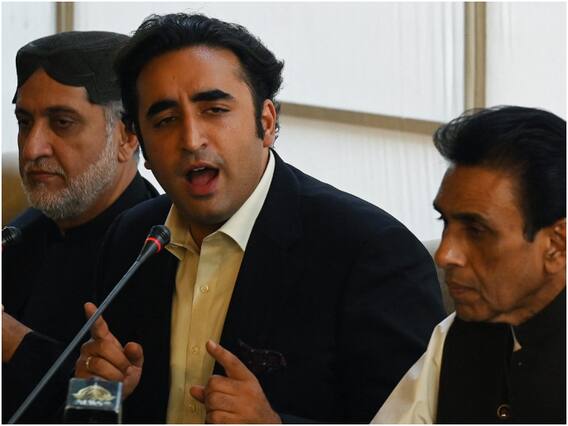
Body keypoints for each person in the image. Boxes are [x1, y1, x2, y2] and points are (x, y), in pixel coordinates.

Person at [74, 13, 445, 423]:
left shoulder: (372, 253)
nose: (191, 139)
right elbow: (96, 405)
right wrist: (100, 396)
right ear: (140, 143)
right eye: (165, 121)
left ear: (266, 123)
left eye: (215, 110)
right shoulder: (132, 238)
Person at [373, 106, 566, 423]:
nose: (444, 255)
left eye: (476, 231)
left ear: (556, 244)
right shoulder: (455, 336)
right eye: (445, 222)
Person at [2, 31, 159, 422]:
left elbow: (121, 409)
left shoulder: (155, 254)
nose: (32, 147)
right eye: (24, 121)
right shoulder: (24, 231)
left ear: (128, 135)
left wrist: (16, 344)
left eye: (62, 122)